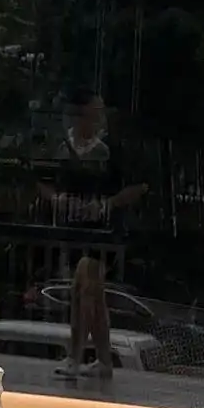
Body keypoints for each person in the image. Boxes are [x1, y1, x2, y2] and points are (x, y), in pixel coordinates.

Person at [41, 93, 145, 382]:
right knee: (94, 294)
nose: (97, 118)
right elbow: (41, 180)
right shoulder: (64, 147)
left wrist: (107, 204)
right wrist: (57, 200)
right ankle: (103, 359)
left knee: (84, 285)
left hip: (105, 231)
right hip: (74, 229)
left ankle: (75, 355)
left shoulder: (112, 149)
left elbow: (138, 186)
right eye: (91, 113)